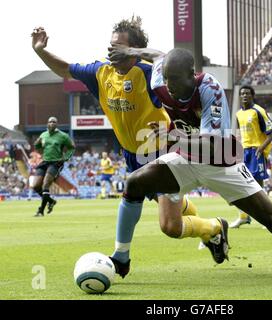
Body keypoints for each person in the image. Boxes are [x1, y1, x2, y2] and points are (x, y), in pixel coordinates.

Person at [108, 46, 272, 281]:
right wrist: (131, 51)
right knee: (134, 183)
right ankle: (120, 257)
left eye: (176, 79)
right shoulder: (160, 81)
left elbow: (209, 146)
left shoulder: (210, 89)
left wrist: (170, 137)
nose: (170, 85)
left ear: (192, 74)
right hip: (184, 158)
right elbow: (159, 55)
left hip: (221, 162)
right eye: (168, 78)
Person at [31, 17, 211, 272]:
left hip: (164, 150)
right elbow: (64, 69)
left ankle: (212, 228)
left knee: (169, 225)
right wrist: (40, 50)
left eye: (119, 46)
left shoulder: (149, 73)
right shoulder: (100, 72)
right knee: (165, 206)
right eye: (111, 44)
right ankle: (208, 233)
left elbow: (168, 59)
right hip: (132, 154)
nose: (111, 49)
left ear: (134, 51)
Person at [229, 85, 272, 228]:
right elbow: (242, 133)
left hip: (257, 151)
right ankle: (243, 217)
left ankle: (270, 219)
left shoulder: (258, 111)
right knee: (241, 183)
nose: (244, 96)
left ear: (252, 95)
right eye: (242, 93)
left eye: (247, 93)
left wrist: (261, 148)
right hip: (244, 151)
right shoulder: (238, 114)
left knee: (258, 186)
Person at [32, 117, 75, 216]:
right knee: (35, 186)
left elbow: (71, 148)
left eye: (54, 122)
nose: (52, 123)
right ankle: (51, 201)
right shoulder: (43, 135)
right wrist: (37, 145)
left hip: (56, 162)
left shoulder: (63, 136)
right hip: (45, 162)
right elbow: (37, 146)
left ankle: (41, 211)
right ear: (47, 124)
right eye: (50, 122)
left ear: (57, 124)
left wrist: (65, 157)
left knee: (45, 184)